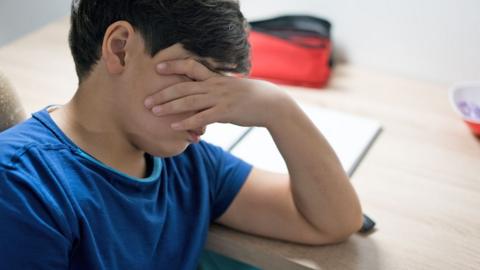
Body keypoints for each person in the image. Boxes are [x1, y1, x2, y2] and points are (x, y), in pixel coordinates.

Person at [0, 0, 363, 269]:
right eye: (196, 77)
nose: (214, 109)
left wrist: (278, 110)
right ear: (120, 49)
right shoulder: (22, 185)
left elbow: (329, 221)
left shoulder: (187, 163)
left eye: (223, 88)